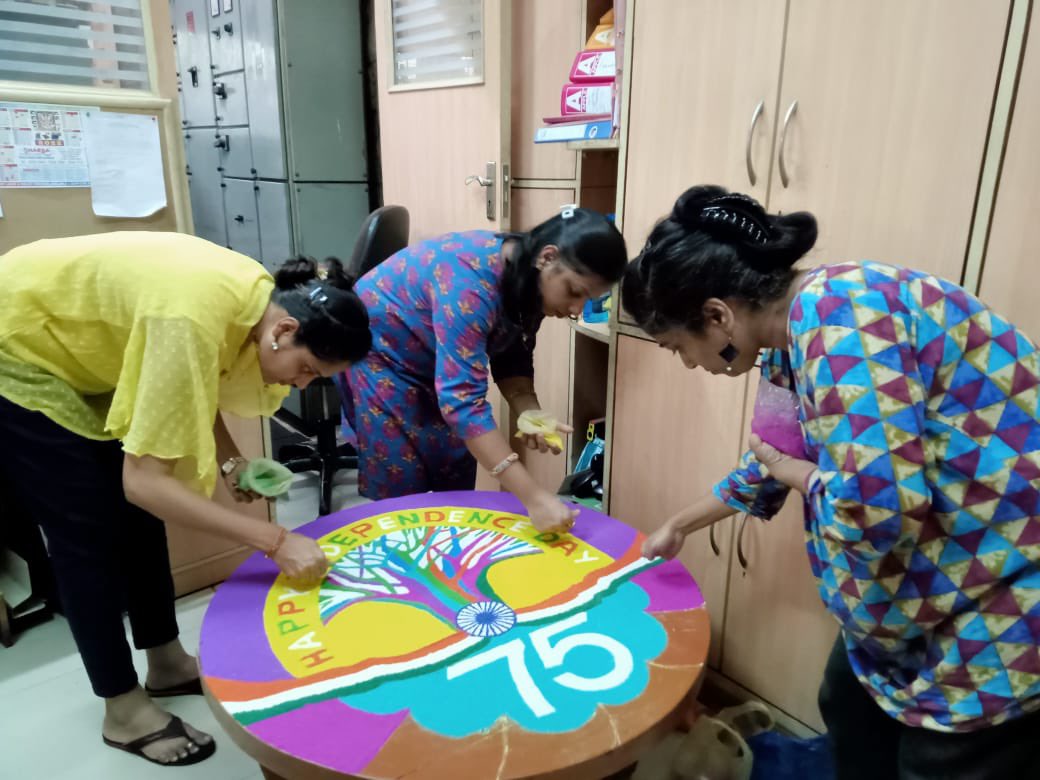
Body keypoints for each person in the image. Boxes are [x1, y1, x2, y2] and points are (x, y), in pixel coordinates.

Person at [623, 185, 1040, 779]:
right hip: (904, 618)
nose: (690, 363)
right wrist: (678, 525)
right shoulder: (785, 345)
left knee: (941, 763)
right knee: (846, 710)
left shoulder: (845, 311)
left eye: (677, 348)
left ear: (716, 315)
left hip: (997, 612)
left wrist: (800, 474)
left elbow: (880, 507)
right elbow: (768, 462)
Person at [0, 232, 370, 767]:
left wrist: (230, 462)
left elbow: (196, 383)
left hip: (77, 348)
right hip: (17, 349)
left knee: (142, 517)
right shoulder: (191, 318)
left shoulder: (255, 303)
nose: (299, 386)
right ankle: (122, 710)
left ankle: (166, 661)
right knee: (87, 532)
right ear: (284, 332)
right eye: (307, 370)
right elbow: (144, 481)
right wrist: (274, 539)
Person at [342, 207, 627, 533]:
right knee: (405, 503)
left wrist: (528, 410)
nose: (576, 309)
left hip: (435, 359)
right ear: (547, 257)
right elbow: (463, 405)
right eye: (575, 292)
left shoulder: (529, 276)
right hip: (383, 355)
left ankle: (446, 572)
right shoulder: (470, 283)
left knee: (454, 485)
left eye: (589, 299)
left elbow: (513, 352)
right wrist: (533, 497)